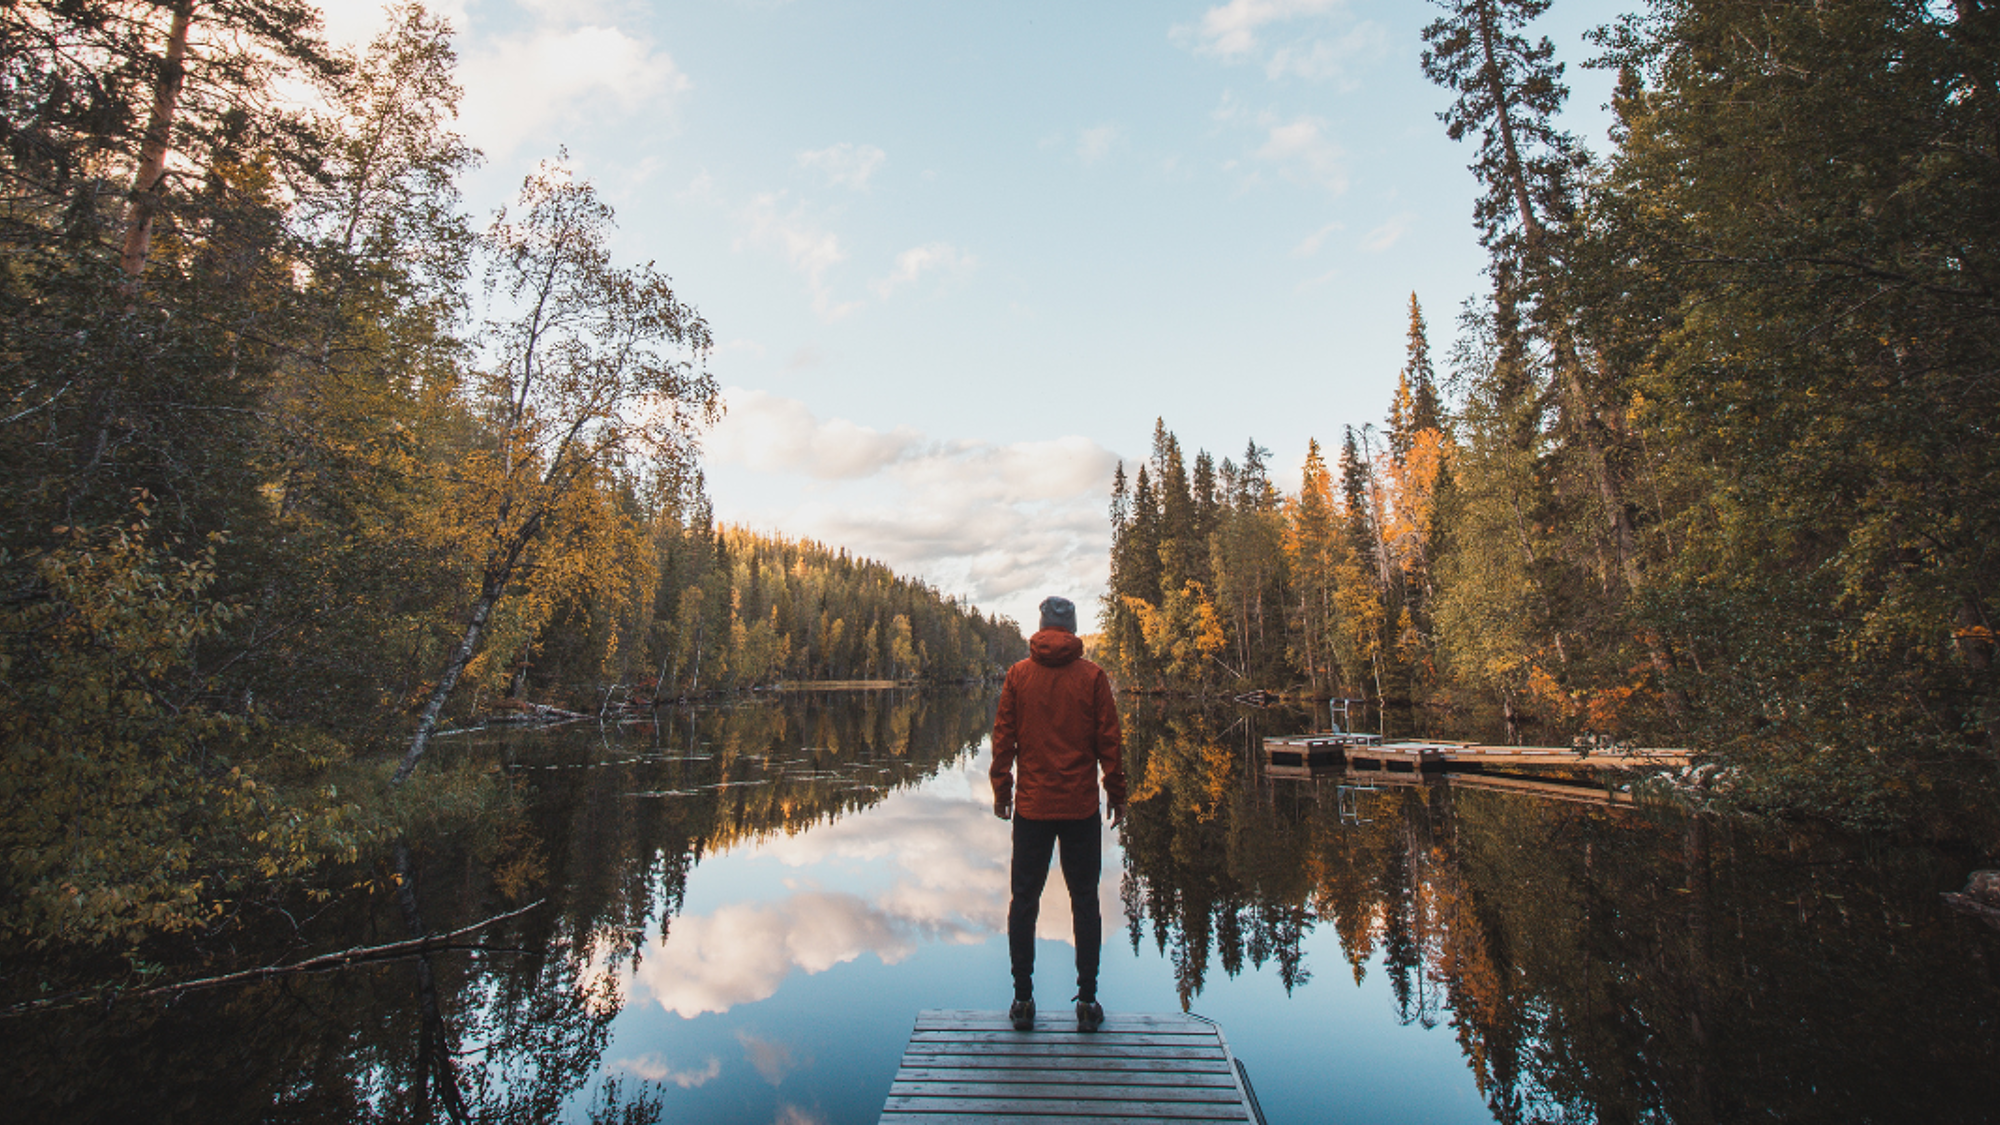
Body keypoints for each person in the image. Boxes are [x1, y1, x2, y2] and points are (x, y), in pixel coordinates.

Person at [990, 595, 1126, 1033]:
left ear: (1041, 626)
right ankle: (1086, 1002)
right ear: (1072, 629)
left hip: (1032, 807)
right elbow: (1109, 741)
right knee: (1085, 901)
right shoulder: (1092, 676)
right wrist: (1116, 792)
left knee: (1023, 901)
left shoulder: (1019, 675)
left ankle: (1022, 1001)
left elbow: (1003, 738)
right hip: (1080, 807)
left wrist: (1002, 789)